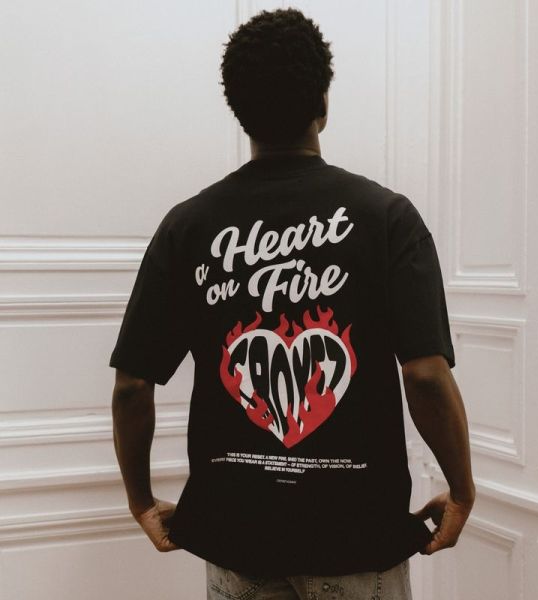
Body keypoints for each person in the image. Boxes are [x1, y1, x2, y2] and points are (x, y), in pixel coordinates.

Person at [110, 7, 475, 600]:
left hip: (235, 535)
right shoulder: (388, 219)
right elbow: (426, 376)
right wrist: (461, 490)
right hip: (358, 538)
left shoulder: (188, 226)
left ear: (237, 109)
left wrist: (140, 500)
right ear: (323, 101)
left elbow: (132, 385)